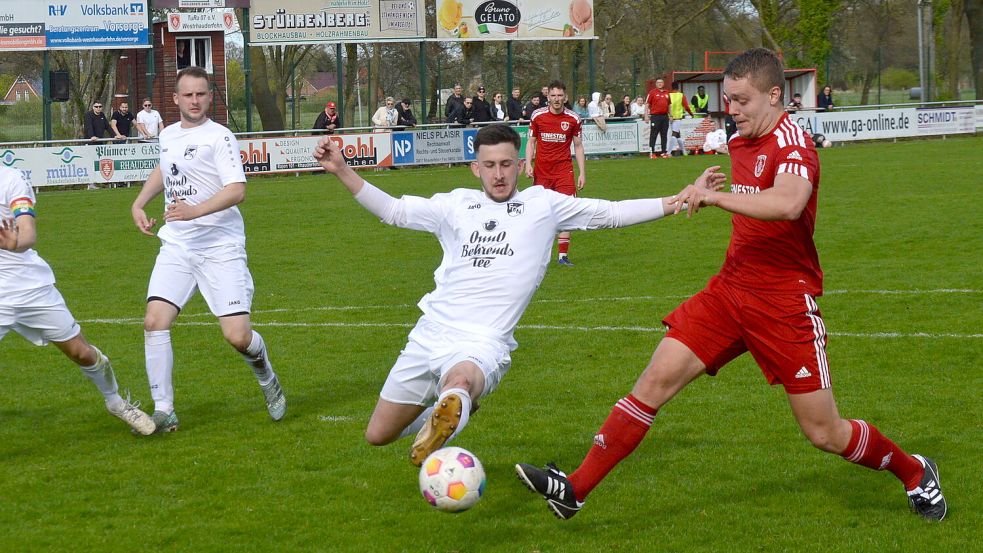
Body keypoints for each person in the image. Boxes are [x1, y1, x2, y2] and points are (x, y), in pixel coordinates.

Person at [515, 48, 947, 523]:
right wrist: (704, 183)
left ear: (774, 94)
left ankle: (914, 472)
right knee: (653, 381)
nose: (732, 110)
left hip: (784, 303)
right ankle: (575, 489)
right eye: (728, 100)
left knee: (824, 433)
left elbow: (787, 202)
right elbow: (744, 190)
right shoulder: (739, 139)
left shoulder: (793, 143)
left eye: (741, 100)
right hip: (730, 290)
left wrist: (715, 198)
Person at [312, 123, 724, 466]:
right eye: (489, 165)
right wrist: (341, 170)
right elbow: (394, 211)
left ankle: (457, 399)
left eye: (507, 164)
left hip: (483, 342)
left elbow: (611, 213)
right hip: (430, 332)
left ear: (522, 165)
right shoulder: (455, 205)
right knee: (378, 434)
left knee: (461, 378)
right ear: (474, 168)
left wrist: (679, 200)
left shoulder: (543, 205)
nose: (499, 174)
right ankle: (451, 408)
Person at [130, 67, 286, 433]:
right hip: (178, 245)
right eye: (188, 95)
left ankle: (266, 374)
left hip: (221, 246)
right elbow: (165, 169)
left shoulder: (221, 137)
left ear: (209, 97)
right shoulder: (167, 135)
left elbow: (237, 190)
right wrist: (139, 202)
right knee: (154, 322)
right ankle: (164, 410)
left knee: (237, 336)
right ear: (176, 99)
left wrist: (193, 211)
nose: (195, 101)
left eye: (201, 94)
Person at [0, 166, 155, 435]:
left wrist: (16, 242)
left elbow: (28, 232)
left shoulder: (10, 179)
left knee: (81, 353)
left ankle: (116, 402)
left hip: (29, 286)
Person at [525, 80, 586, 266]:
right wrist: (528, 163)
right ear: (548, 96)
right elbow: (531, 142)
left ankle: (562, 256)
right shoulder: (537, 116)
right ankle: (535, 255)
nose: (557, 99)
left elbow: (578, 146)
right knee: (539, 213)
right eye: (553, 96)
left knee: (567, 211)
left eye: (560, 96)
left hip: (564, 172)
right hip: (542, 172)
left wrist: (582, 173)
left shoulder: (573, 119)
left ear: (565, 97)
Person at [645, 78, 670, 158]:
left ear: (663, 84)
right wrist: (646, 115)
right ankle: (652, 152)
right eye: (658, 82)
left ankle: (663, 152)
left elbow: (669, 105)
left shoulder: (667, 93)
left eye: (661, 82)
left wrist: (671, 115)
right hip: (655, 116)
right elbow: (647, 104)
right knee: (653, 134)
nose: (660, 84)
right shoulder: (652, 93)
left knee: (664, 135)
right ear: (656, 84)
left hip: (665, 116)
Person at [668, 82, 694, 155]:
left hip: (670, 117)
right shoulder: (681, 95)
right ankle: (668, 152)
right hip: (677, 118)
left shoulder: (668, 95)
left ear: (671, 87)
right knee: (674, 134)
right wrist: (691, 114)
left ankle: (684, 152)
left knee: (677, 135)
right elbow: (686, 107)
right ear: (678, 87)